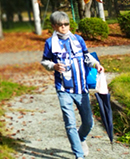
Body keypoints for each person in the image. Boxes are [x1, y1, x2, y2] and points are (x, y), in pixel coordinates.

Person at [41, 11, 103, 159]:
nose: (64, 27)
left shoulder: (78, 40)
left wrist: (96, 64)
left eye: (66, 24)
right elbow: (45, 61)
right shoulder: (50, 43)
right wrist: (54, 66)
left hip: (81, 88)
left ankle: (80, 139)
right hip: (63, 89)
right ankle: (78, 155)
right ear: (54, 26)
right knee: (70, 123)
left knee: (88, 122)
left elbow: (87, 57)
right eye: (60, 25)